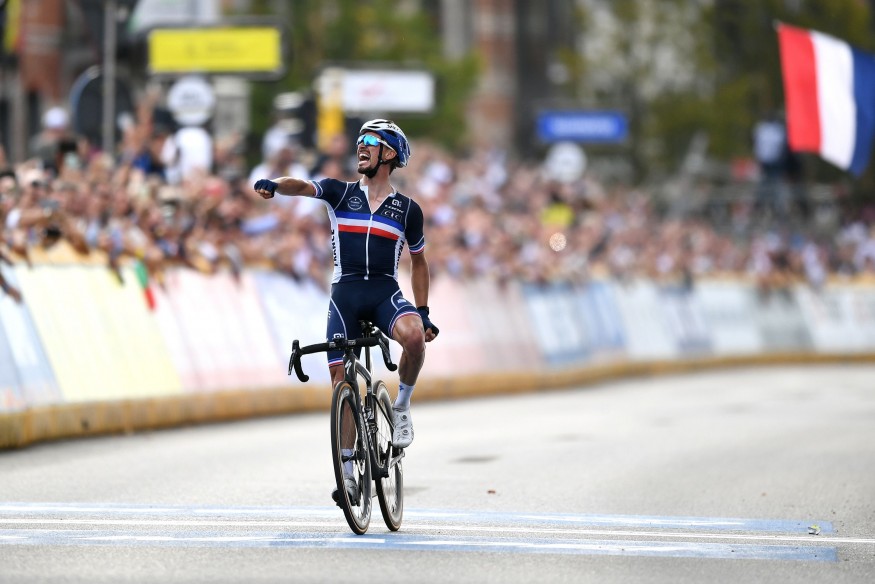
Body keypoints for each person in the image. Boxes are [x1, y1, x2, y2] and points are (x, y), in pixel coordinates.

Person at [254, 119, 439, 500]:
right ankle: (349, 474)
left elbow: (419, 263)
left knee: (414, 338)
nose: (361, 146)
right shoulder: (340, 192)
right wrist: (275, 184)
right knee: (341, 381)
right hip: (345, 296)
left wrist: (422, 311)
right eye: (359, 140)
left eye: (370, 141)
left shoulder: (408, 210)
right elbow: (301, 185)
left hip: (385, 292)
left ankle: (401, 407)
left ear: (389, 153)